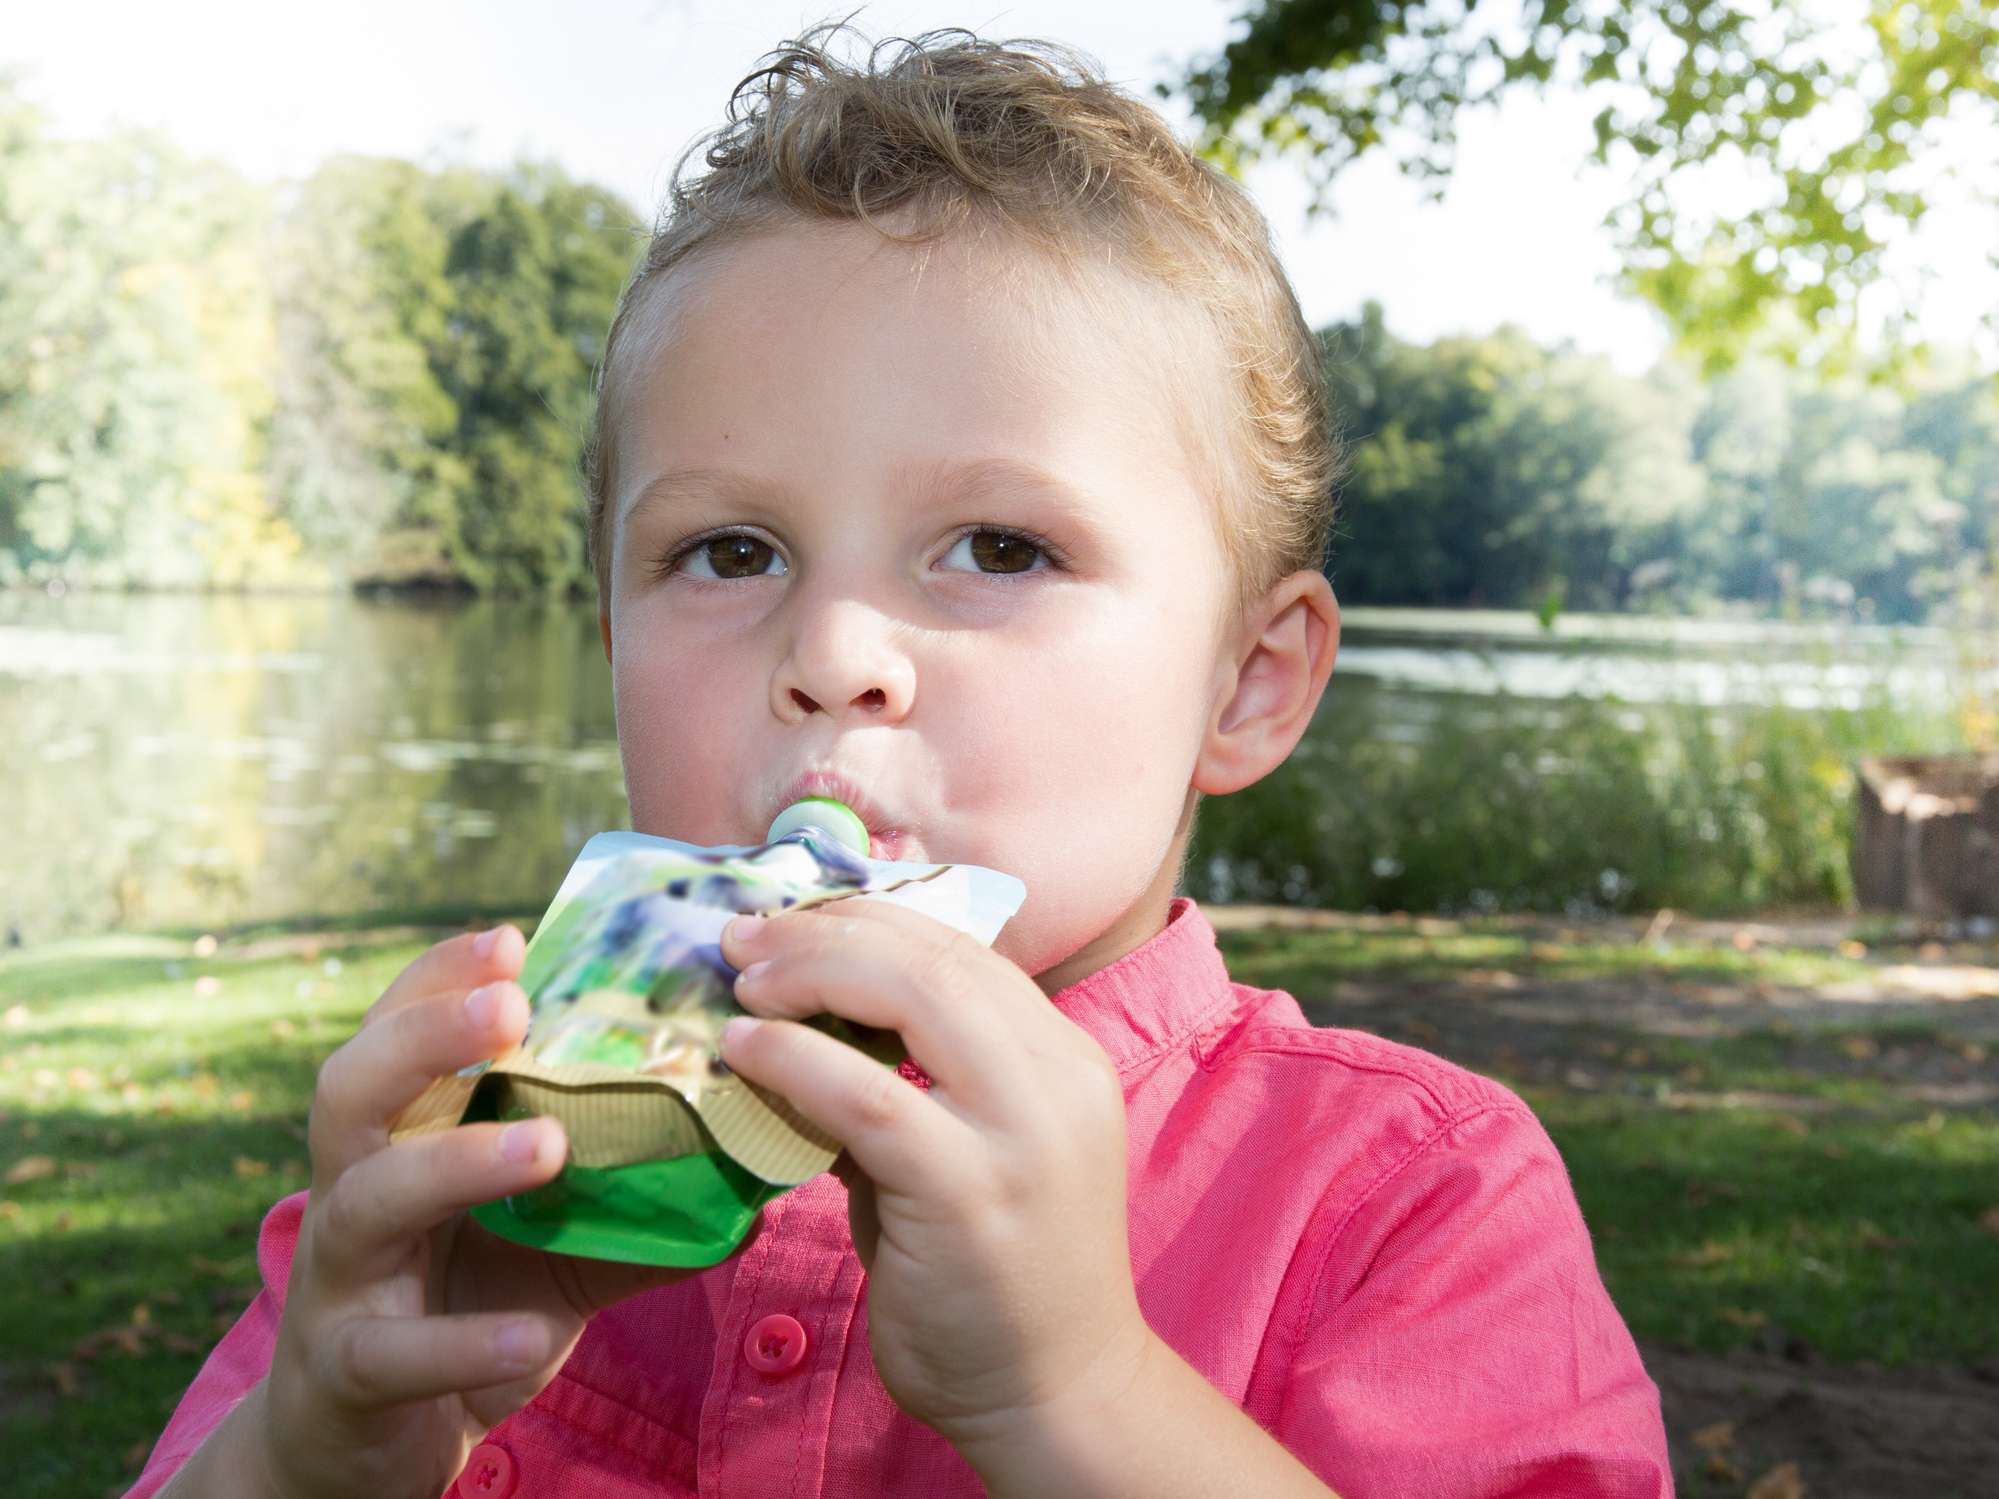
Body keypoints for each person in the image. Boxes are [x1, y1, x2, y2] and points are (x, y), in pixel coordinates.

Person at [140, 30, 1670, 1499]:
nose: (835, 650)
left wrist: (1079, 1399)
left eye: (1000, 547)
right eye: (729, 551)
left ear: (1246, 684)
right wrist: (316, 1452)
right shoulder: (462, 1165)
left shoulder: (1407, 1205)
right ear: (611, 646)